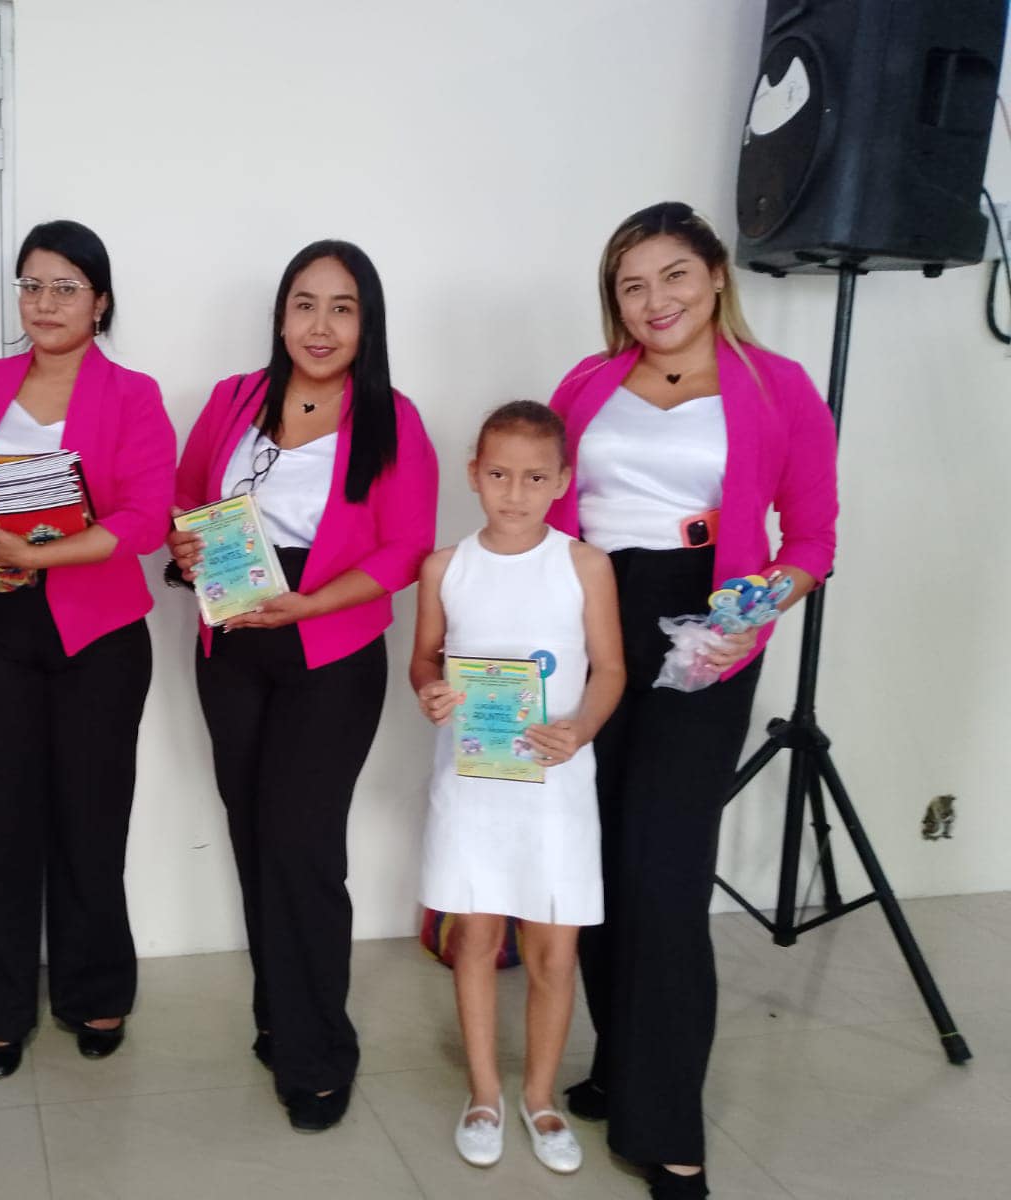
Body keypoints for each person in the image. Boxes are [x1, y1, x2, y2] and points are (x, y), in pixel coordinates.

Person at [547, 202, 838, 1199]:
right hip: (590, 616)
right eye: (631, 285)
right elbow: (550, 510)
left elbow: (811, 538)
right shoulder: (586, 384)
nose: (654, 300)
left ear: (715, 274)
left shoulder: (778, 386)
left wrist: (758, 608)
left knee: (663, 872)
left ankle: (668, 1123)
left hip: (706, 624)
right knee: (592, 857)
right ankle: (619, 1065)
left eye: (673, 274)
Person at [168, 240, 438, 1132]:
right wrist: (184, 545)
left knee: (303, 848)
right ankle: (278, 1018)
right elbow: (185, 501)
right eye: (304, 304)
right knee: (254, 836)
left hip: (330, 650)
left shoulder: (393, 418)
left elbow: (405, 549)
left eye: (343, 308)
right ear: (281, 315)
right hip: (231, 643)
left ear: (368, 323)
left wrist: (311, 603)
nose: (321, 326)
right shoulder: (232, 399)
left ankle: (319, 1051)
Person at [0, 220, 175, 1078]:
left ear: (100, 302)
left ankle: (93, 990)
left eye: (66, 287)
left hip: (98, 633)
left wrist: (44, 556)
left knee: (90, 821)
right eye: (32, 285)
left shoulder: (133, 395)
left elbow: (146, 518)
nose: (46, 303)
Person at [410, 401, 624, 1174]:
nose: (515, 492)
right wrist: (430, 692)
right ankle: (483, 1094)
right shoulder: (445, 567)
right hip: (472, 787)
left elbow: (611, 668)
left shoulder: (584, 565)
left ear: (562, 481)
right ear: (474, 473)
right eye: (499, 474)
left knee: (555, 953)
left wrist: (582, 728)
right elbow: (425, 659)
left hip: (554, 789)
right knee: (474, 938)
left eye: (535, 478)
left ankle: (539, 1096)